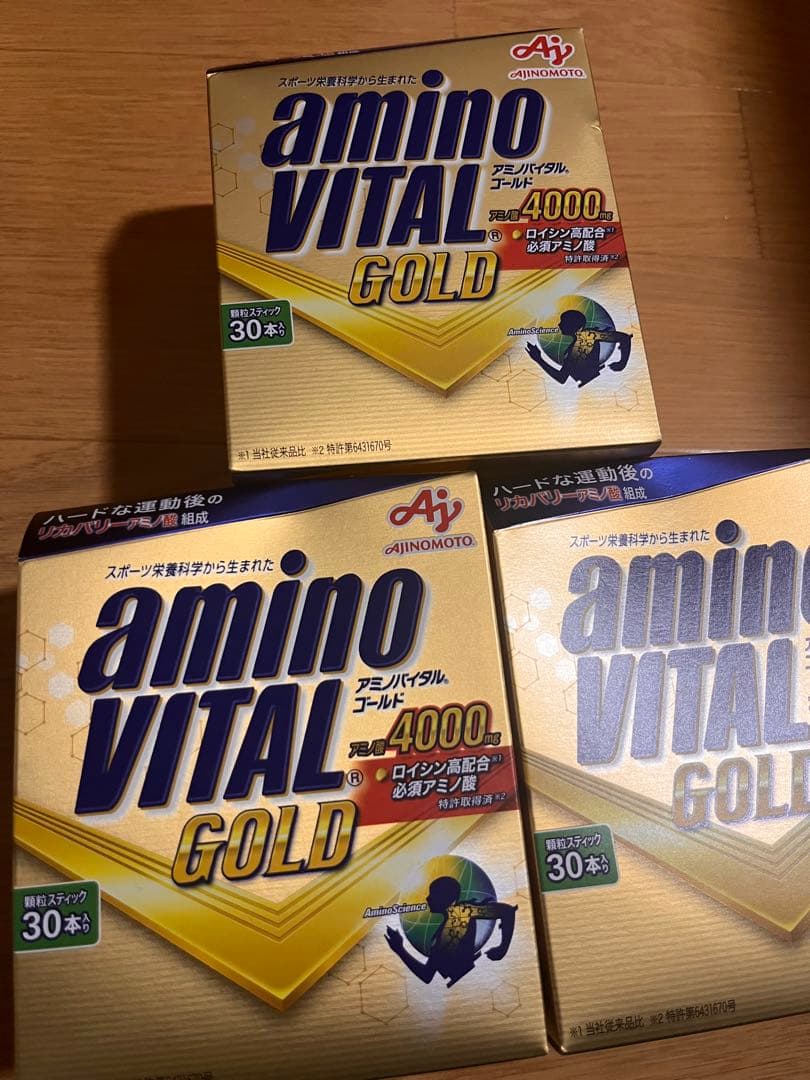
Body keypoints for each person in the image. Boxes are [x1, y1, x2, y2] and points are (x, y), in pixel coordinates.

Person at [384, 875, 517, 988]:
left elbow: (426, 975)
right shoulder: (463, 911)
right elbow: (507, 911)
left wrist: (399, 949)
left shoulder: (456, 920)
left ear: (445, 898)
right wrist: (502, 947)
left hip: (465, 983)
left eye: (433, 894)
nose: (428, 898)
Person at [527, 308, 632, 387]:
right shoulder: (583, 338)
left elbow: (561, 378)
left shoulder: (585, 339)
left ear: (571, 324)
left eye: (563, 322)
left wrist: (539, 359)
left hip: (592, 386)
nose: (559, 325)